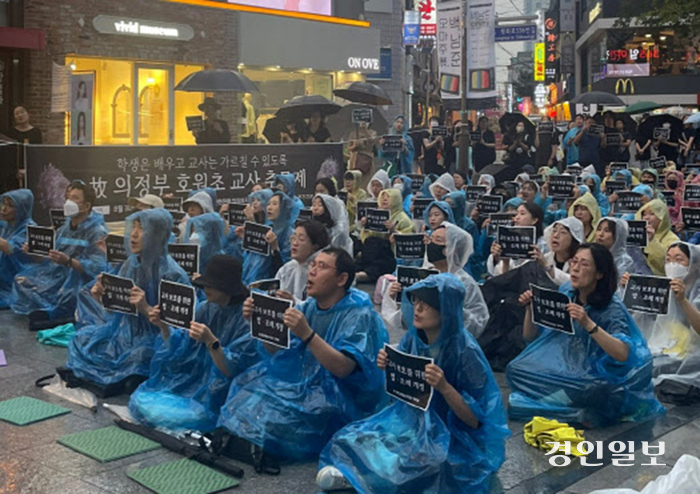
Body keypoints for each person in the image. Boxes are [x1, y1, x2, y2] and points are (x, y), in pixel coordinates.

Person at [318, 274, 509, 493]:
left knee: (431, 464)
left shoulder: (466, 352)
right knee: (352, 438)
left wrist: (445, 388)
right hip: (413, 424)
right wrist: (388, 368)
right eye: (416, 302)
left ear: (445, 310)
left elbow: (475, 421)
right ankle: (363, 478)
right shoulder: (412, 339)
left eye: (426, 304)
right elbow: (403, 398)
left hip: (453, 435)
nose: (417, 309)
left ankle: (362, 480)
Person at [217, 247, 389, 460]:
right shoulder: (309, 307)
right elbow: (280, 355)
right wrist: (259, 324)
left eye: (322, 266)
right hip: (306, 384)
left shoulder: (360, 315)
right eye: (313, 265)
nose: (312, 271)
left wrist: (307, 334)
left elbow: (343, 368)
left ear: (342, 278)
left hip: (341, 397)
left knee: (278, 417)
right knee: (248, 388)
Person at [507, 243, 664, 426]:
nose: (575, 268)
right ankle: (564, 406)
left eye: (584, 264)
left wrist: (588, 323)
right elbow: (532, 338)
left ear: (600, 273)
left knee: (592, 389)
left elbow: (623, 354)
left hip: (596, 374)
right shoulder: (566, 292)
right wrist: (530, 310)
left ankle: (552, 404)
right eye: (574, 262)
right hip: (566, 367)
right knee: (515, 369)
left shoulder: (612, 308)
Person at [63, 209, 190, 396]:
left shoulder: (173, 274)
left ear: (157, 234)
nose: (134, 234)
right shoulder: (130, 264)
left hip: (152, 339)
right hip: (125, 332)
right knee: (81, 339)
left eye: (142, 229)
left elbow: (178, 335)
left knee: (139, 356)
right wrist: (103, 297)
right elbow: (117, 315)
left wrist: (146, 309)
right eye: (134, 228)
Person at [129, 255, 258, 432]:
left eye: (211, 284)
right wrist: (163, 326)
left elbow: (234, 371)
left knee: (182, 414)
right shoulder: (206, 308)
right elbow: (182, 350)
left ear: (226, 286)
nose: (205, 288)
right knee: (142, 400)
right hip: (194, 384)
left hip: (222, 394)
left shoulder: (246, 319)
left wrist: (212, 343)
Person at [11, 180, 108, 330]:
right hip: (57, 274)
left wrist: (69, 261)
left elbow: (98, 267)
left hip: (79, 279)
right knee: (22, 281)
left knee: (68, 292)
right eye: (68, 197)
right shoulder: (65, 227)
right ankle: (48, 311)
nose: (69, 202)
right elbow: (49, 258)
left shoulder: (97, 231)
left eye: (75, 198)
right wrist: (35, 252)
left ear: (87, 206)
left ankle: (55, 314)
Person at [381, 223, 489, 338]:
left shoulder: (465, 282)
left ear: (450, 249)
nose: (429, 243)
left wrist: (450, 307)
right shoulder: (424, 276)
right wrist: (397, 298)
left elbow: (478, 323)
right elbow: (406, 320)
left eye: (437, 240)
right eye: (430, 238)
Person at [650, 242, 700, 405]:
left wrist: (683, 300)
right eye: (668, 260)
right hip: (669, 345)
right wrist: (629, 287)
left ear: (694, 263)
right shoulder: (665, 286)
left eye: (679, 260)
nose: (672, 265)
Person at [356, 188, 415, 283]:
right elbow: (365, 237)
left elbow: (408, 241)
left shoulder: (403, 219)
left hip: (388, 255)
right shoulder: (375, 214)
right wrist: (365, 226)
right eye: (382, 197)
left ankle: (365, 275)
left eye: (388, 197)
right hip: (371, 252)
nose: (384, 199)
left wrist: (393, 231)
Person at [240, 190, 294, 286]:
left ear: (284, 208)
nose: (269, 207)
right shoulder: (269, 229)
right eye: (268, 204)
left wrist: (275, 249)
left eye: (274, 204)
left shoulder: (289, 234)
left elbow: (286, 270)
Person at [275, 221, 330, 304]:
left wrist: (294, 302)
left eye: (301, 239)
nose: (294, 243)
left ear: (315, 247)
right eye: (293, 238)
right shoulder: (287, 269)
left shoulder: (322, 273)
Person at [487, 202, 547, 276]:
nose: (517, 217)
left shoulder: (543, 244)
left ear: (534, 220)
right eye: (516, 214)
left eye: (522, 214)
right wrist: (496, 258)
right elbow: (495, 274)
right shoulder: (505, 240)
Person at [0, 190, 35, 308]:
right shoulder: (6, 226)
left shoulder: (29, 229)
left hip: (13, 288)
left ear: (22, 209)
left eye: (10, 206)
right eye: (3, 203)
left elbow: (11, 249)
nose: (3, 208)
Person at [530, 217, 584, 286]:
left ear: (574, 239)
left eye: (563, 232)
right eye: (554, 231)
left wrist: (547, 267)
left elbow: (573, 282)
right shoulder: (546, 257)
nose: (555, 235)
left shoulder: (579, 262)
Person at [636, 199, 680, 276]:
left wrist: (653, 241)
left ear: (662, 217)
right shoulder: (638, 236)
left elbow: (667, 263)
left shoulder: (673, 239)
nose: (646, 218)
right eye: (644, 214)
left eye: (652, 214)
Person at [347, 120, 377, 189]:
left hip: (367, 161)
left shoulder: (372, 132)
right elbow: (348, 148)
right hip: (355, 161)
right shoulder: (353, 133)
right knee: (355, 180)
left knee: (366, 182)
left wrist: (365, 130)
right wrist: (354, 146)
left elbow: (371, 141)